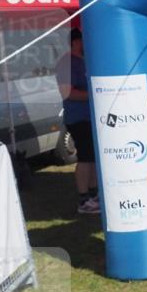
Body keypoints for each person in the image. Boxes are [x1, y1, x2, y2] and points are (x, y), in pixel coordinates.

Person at [56, 28, 99, 214]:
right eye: (83, 40)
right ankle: (83, 201)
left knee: (93, 158)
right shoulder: (66, 63)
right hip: (78, 117)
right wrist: (94, 95)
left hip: (91, 117)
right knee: (85, 158)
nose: (86, 43)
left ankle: (94, 195)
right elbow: (67, 92)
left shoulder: (84, 60)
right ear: (75, 42)